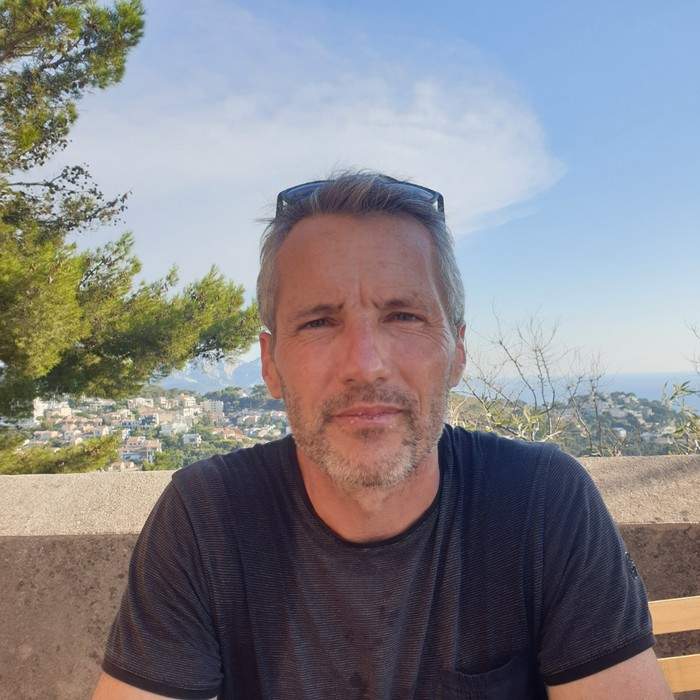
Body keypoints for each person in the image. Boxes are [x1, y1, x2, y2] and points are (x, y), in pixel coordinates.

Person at [92, 172, 672, 699]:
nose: (365, 364)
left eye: (404, 316)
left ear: (457, 351)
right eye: (319, 321)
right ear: (270, 363)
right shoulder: (206, 518)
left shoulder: (540, 501)